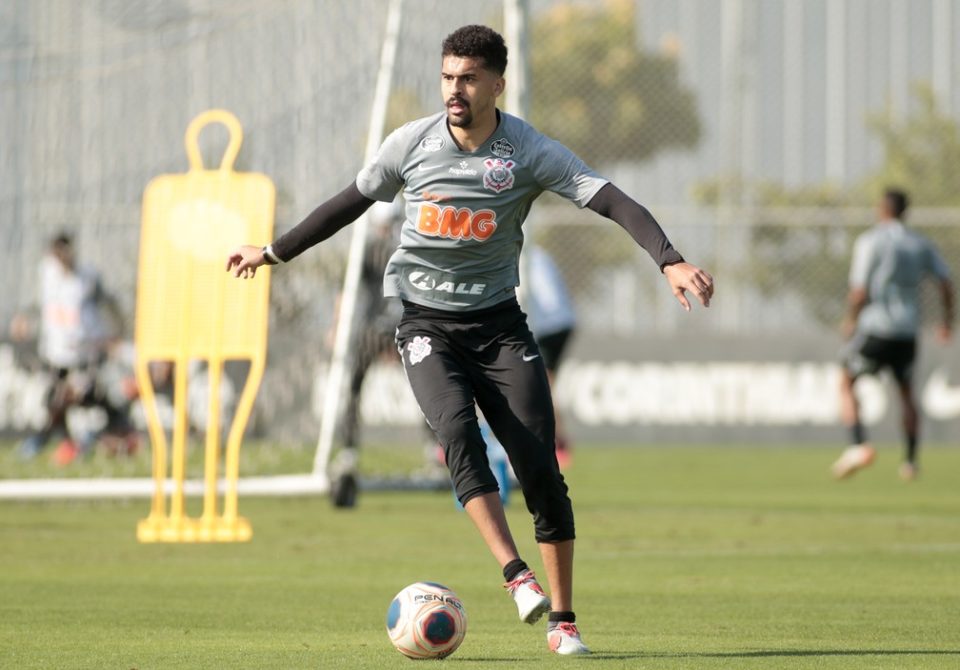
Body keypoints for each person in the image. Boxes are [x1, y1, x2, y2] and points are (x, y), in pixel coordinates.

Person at [227, 25, 714, 656]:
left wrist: (669, 259)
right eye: (448, 77)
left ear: (496, 84)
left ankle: (564, 622)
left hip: (500, 329)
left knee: (541, 473)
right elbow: (346, 204)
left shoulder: (527, 150)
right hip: (426, 325)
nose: (455, 90)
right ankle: (515, 575)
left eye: (469, 79)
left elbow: (612, 200)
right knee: (457, 432)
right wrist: (272, 252)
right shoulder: (412, 143)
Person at [832, 189, 954, 481]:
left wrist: (850, 320)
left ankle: (858, 445)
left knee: (846, 380)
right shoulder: (921, 243)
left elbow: (859, 290)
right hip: (907, 331)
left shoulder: (870, 241)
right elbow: (945, 282)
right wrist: (947, 321)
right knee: (907, 393)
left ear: (881, 209)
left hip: (876, 328)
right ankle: (910, 462)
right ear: (905, 211)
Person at [17, 232, 122, 463]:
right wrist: (25, 317)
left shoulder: (86, 277)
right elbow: (40, 301)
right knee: (55, 401)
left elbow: (108, 303)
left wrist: (114, 333)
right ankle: (71, 442)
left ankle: (60, 441)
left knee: (73, 396)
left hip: (84, 354)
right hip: (56, 355)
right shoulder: (47, 274)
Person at [521, 245, 577, 469]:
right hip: (558, 323)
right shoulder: (537, 253)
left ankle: (556, 442)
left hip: (547, 327)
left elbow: (544, 296)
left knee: (541, 386)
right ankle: (556, 441)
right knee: (542, 385)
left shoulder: (524, 255)